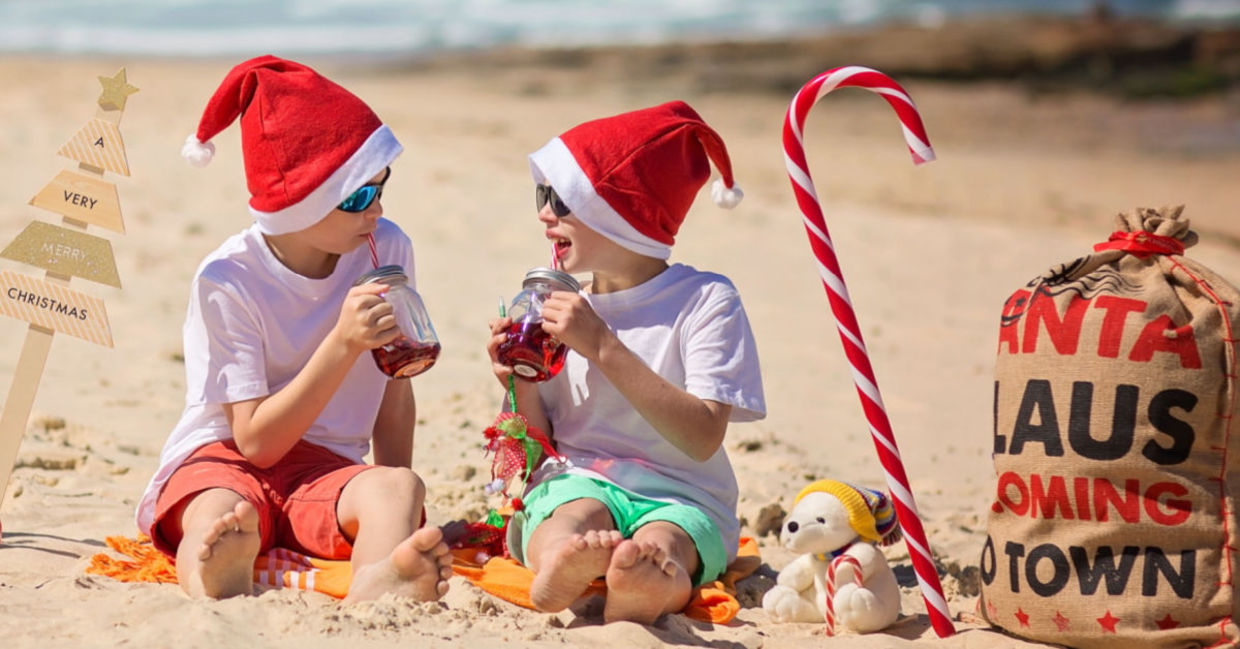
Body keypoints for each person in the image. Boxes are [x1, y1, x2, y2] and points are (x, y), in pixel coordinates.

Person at [135, 55, 452, 601]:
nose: (375, 209)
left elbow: (394, 394)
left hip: (323, 469)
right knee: (218, 509)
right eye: (356, 196)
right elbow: (254, 442)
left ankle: (380, 583)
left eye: (381, 187)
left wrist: (394, 507)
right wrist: (343, 343)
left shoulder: (388, 249)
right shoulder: (229, 278)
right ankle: (212, 572)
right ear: (298, 200)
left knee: (399, 487)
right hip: (224, 455)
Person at [486, 101, 766, 624]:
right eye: (542, 196)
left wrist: (602, 347)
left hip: (683, 490)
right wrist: (517, 380)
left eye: (562, 200)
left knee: (669, 539)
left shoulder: (705, 300)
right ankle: (559, 565)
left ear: (621, 215)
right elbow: (537, 443)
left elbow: (703, 436)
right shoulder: (558, 306)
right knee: (570, 513)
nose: (545, 214)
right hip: (580, 476)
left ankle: (646, 582)